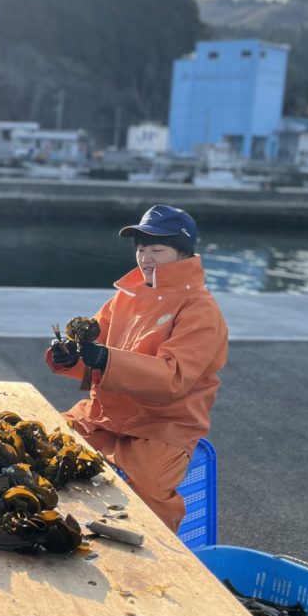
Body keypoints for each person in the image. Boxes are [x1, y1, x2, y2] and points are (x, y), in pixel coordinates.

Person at [45, 204, 227, 533]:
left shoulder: (201, 308)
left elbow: (174, 377)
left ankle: (166, 560)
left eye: (157, 249)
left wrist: (105, 359)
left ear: (184, 253)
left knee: (146, 508)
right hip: (101, 416)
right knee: (42, 448)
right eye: (141, 249)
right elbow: (94, 350)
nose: (146, 257)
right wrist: (70, 357)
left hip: (162, 428)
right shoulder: (126, 295)